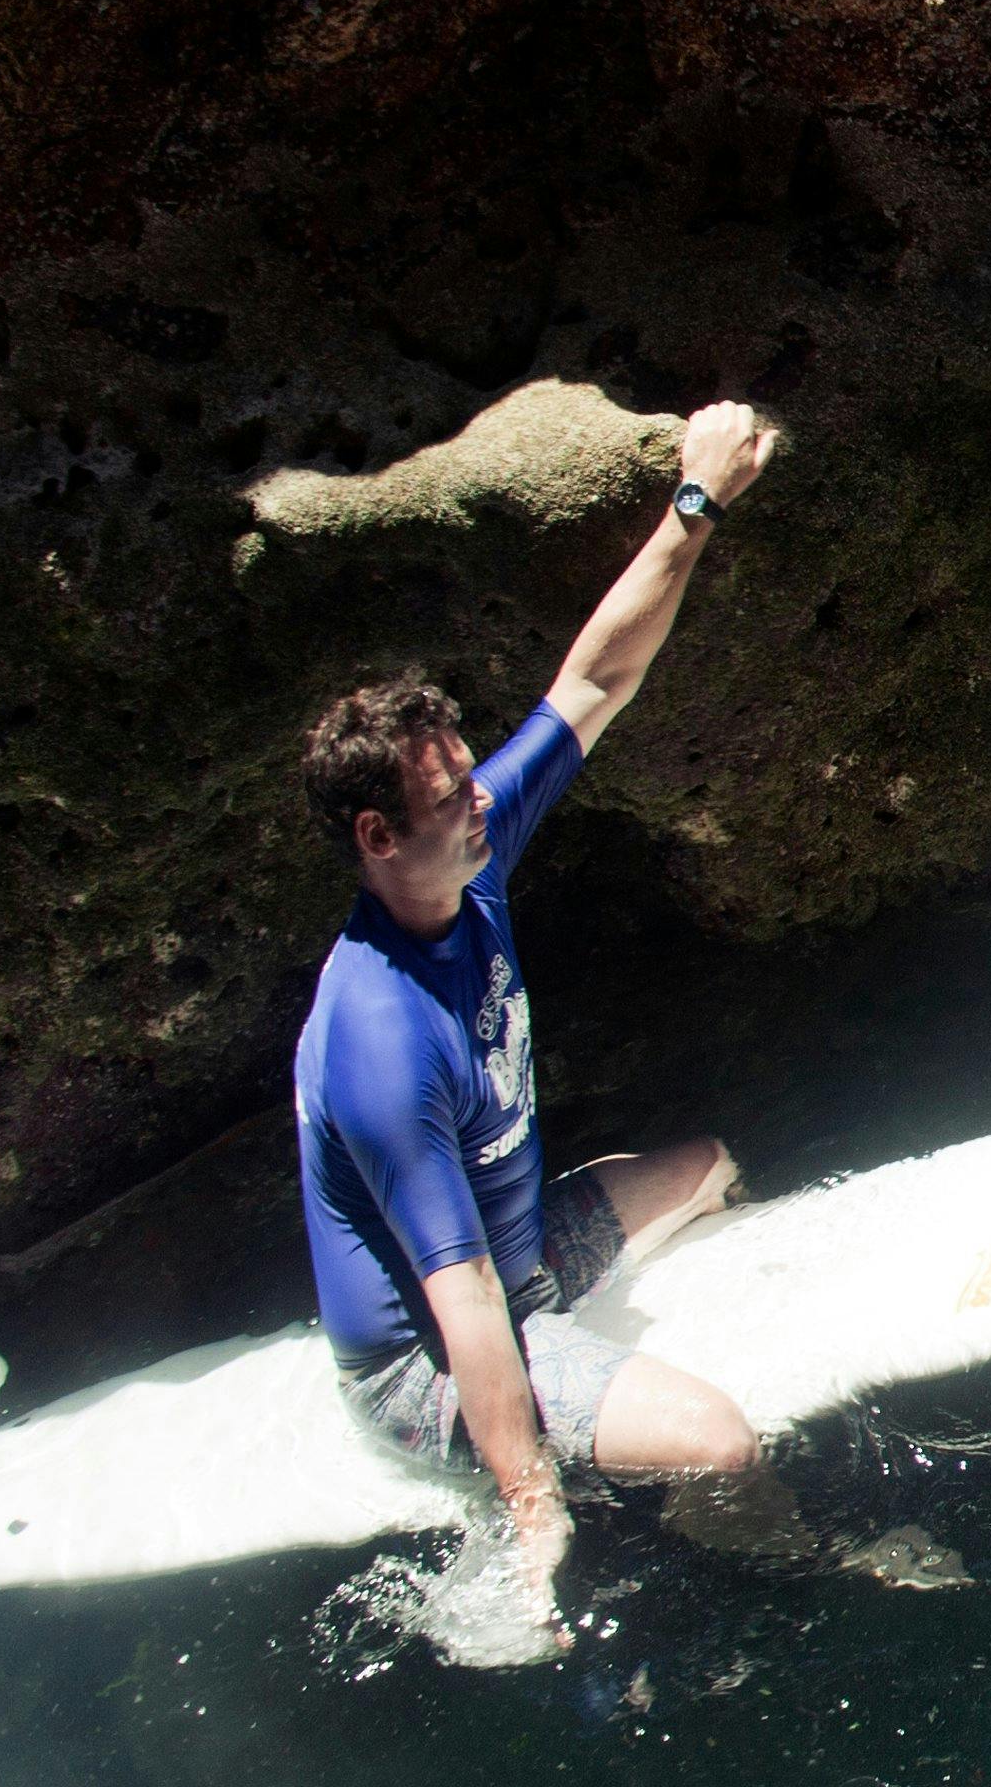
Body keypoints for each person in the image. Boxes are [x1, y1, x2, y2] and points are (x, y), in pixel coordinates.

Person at [292, 400, 785, 1630]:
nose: (483, 801)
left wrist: (697, 503)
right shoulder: (377, 1036)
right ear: (377, 834)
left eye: (473, 778)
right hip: (432, 1356)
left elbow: (593, 682)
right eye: (454, 795)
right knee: (721, 1443)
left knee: (712, 1164)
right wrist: (531, 1509)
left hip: (519, 1255)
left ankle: (628, 1436)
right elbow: (462, 1306)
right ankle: (789, 1570)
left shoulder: (465, 858)